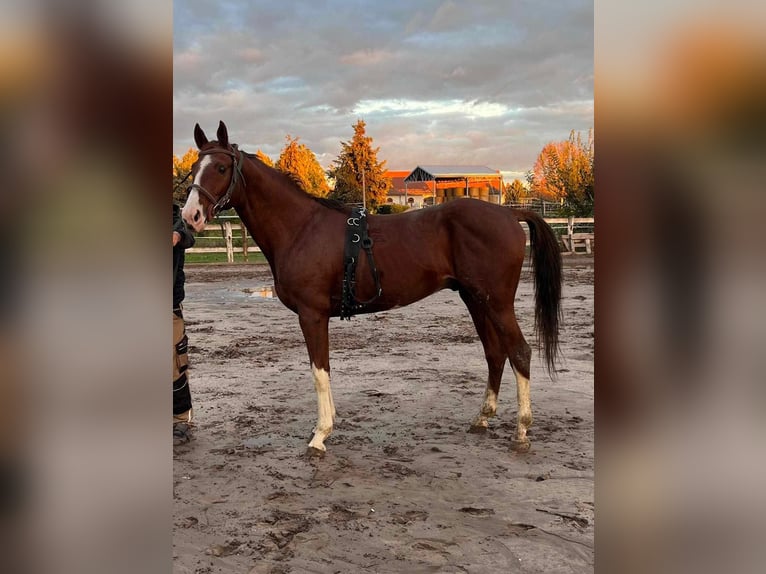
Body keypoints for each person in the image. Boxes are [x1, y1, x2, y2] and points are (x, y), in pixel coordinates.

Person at [173, 203, 195, 445]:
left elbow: (188, 234)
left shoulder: (176, 217)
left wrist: (178, 235)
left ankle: (180, 420)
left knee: (175, 365)